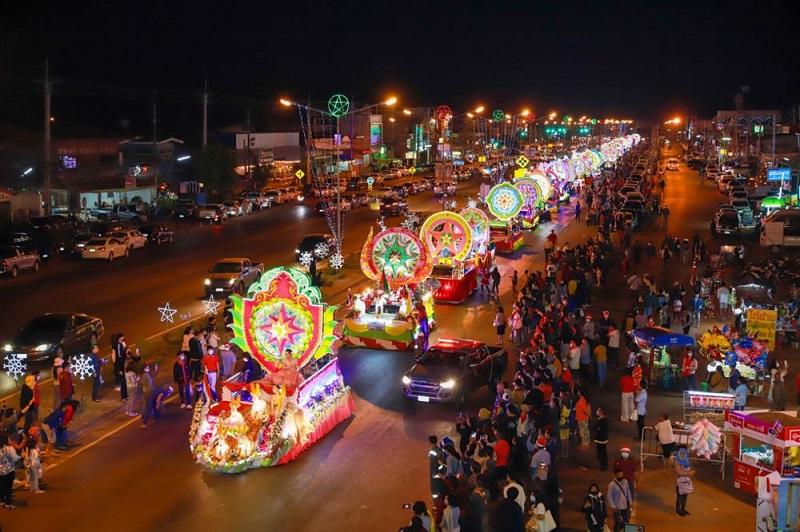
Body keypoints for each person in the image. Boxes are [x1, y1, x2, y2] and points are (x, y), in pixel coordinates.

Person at [673, 445, 695, 516]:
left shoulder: (686, 460)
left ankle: (682, 509)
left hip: (686, 482)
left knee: (685, 495)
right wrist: (689, 473)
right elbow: (679, 473)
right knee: (680, 496)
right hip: (679, 483)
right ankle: (678, 511)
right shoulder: (677, 461)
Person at [0, 433, 20, 508]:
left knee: (2, 486)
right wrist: (20, 457)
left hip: (1, 471)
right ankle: (8, 503)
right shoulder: (10, 448)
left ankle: (2, 501)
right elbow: (15, 458)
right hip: (9, 471)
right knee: (8, 487)